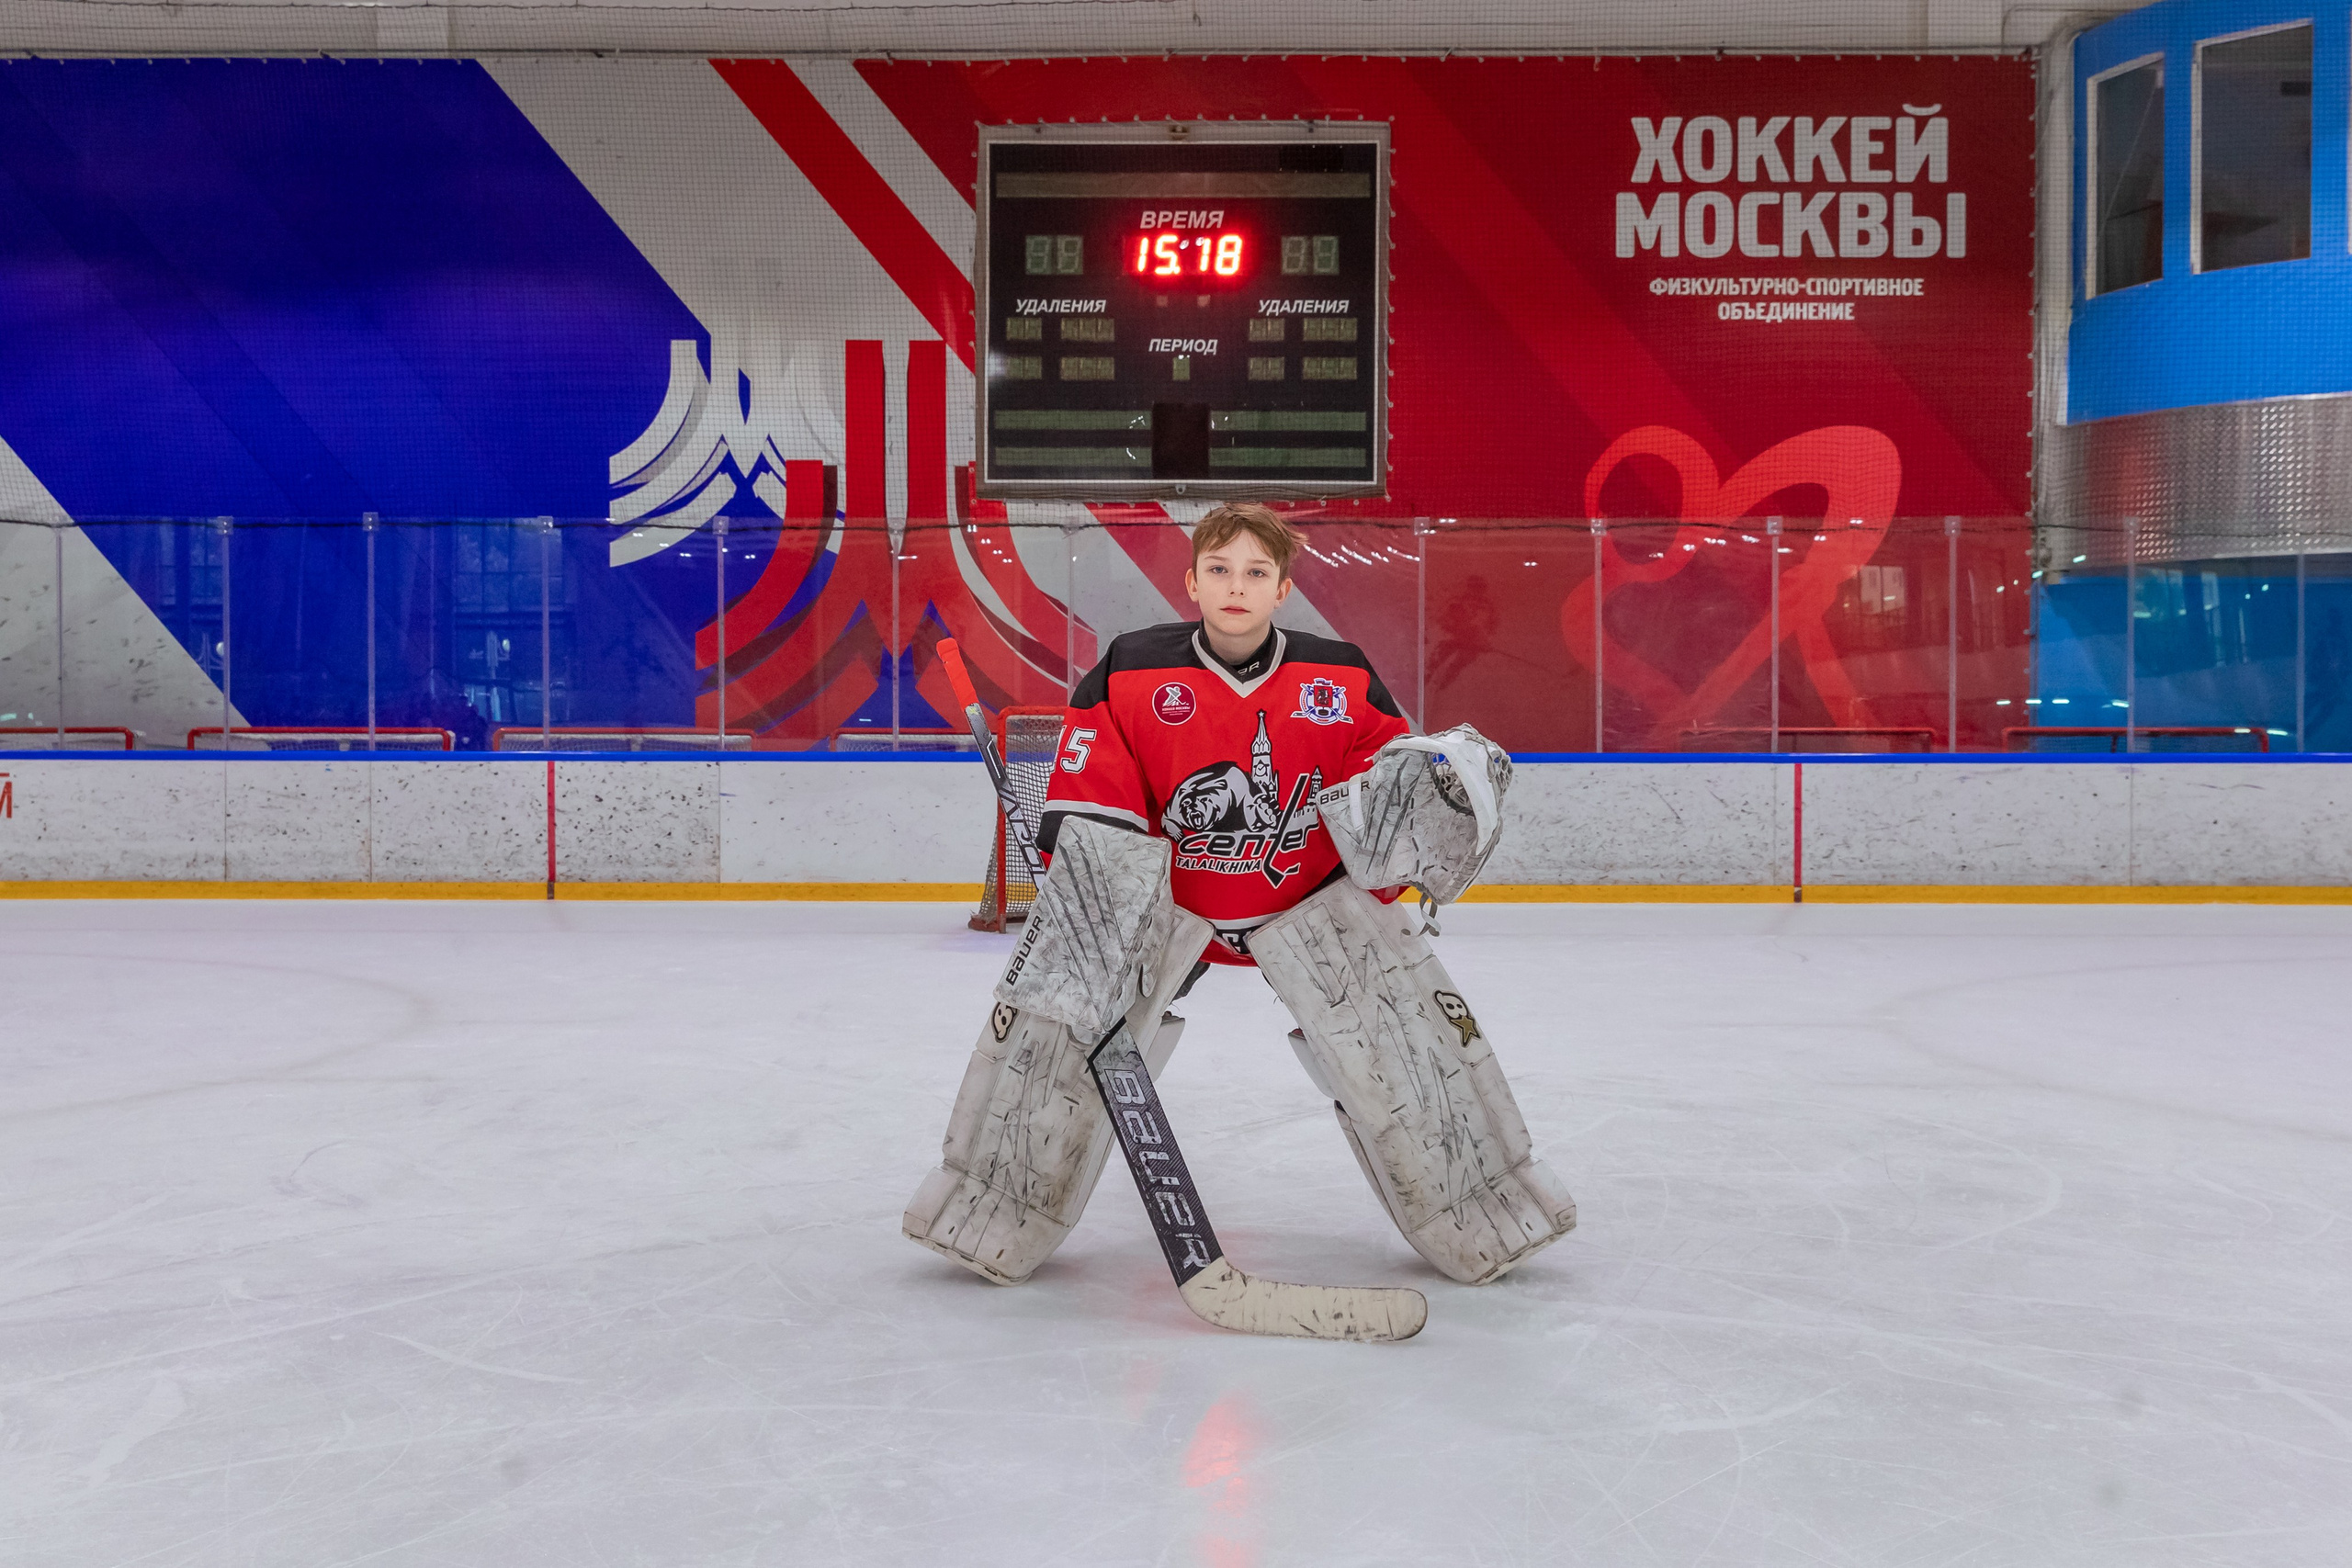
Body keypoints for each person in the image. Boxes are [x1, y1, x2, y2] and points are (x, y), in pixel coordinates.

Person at [903, 502, 1577, 1292]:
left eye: (1256, 572)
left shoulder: (1342, 674)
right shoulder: (1130, 669)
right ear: (1191, 581)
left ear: (1282, 588)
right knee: (1056, 1033)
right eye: (1219, 570)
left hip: (1308, 903)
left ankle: (1488, 1209)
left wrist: (1439, 792)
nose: (1236, 586)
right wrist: (1084, 888)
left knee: (1408, 1043)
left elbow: (1389, 794)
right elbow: (1097, 809)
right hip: (1167, 909)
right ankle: (990, 1208)